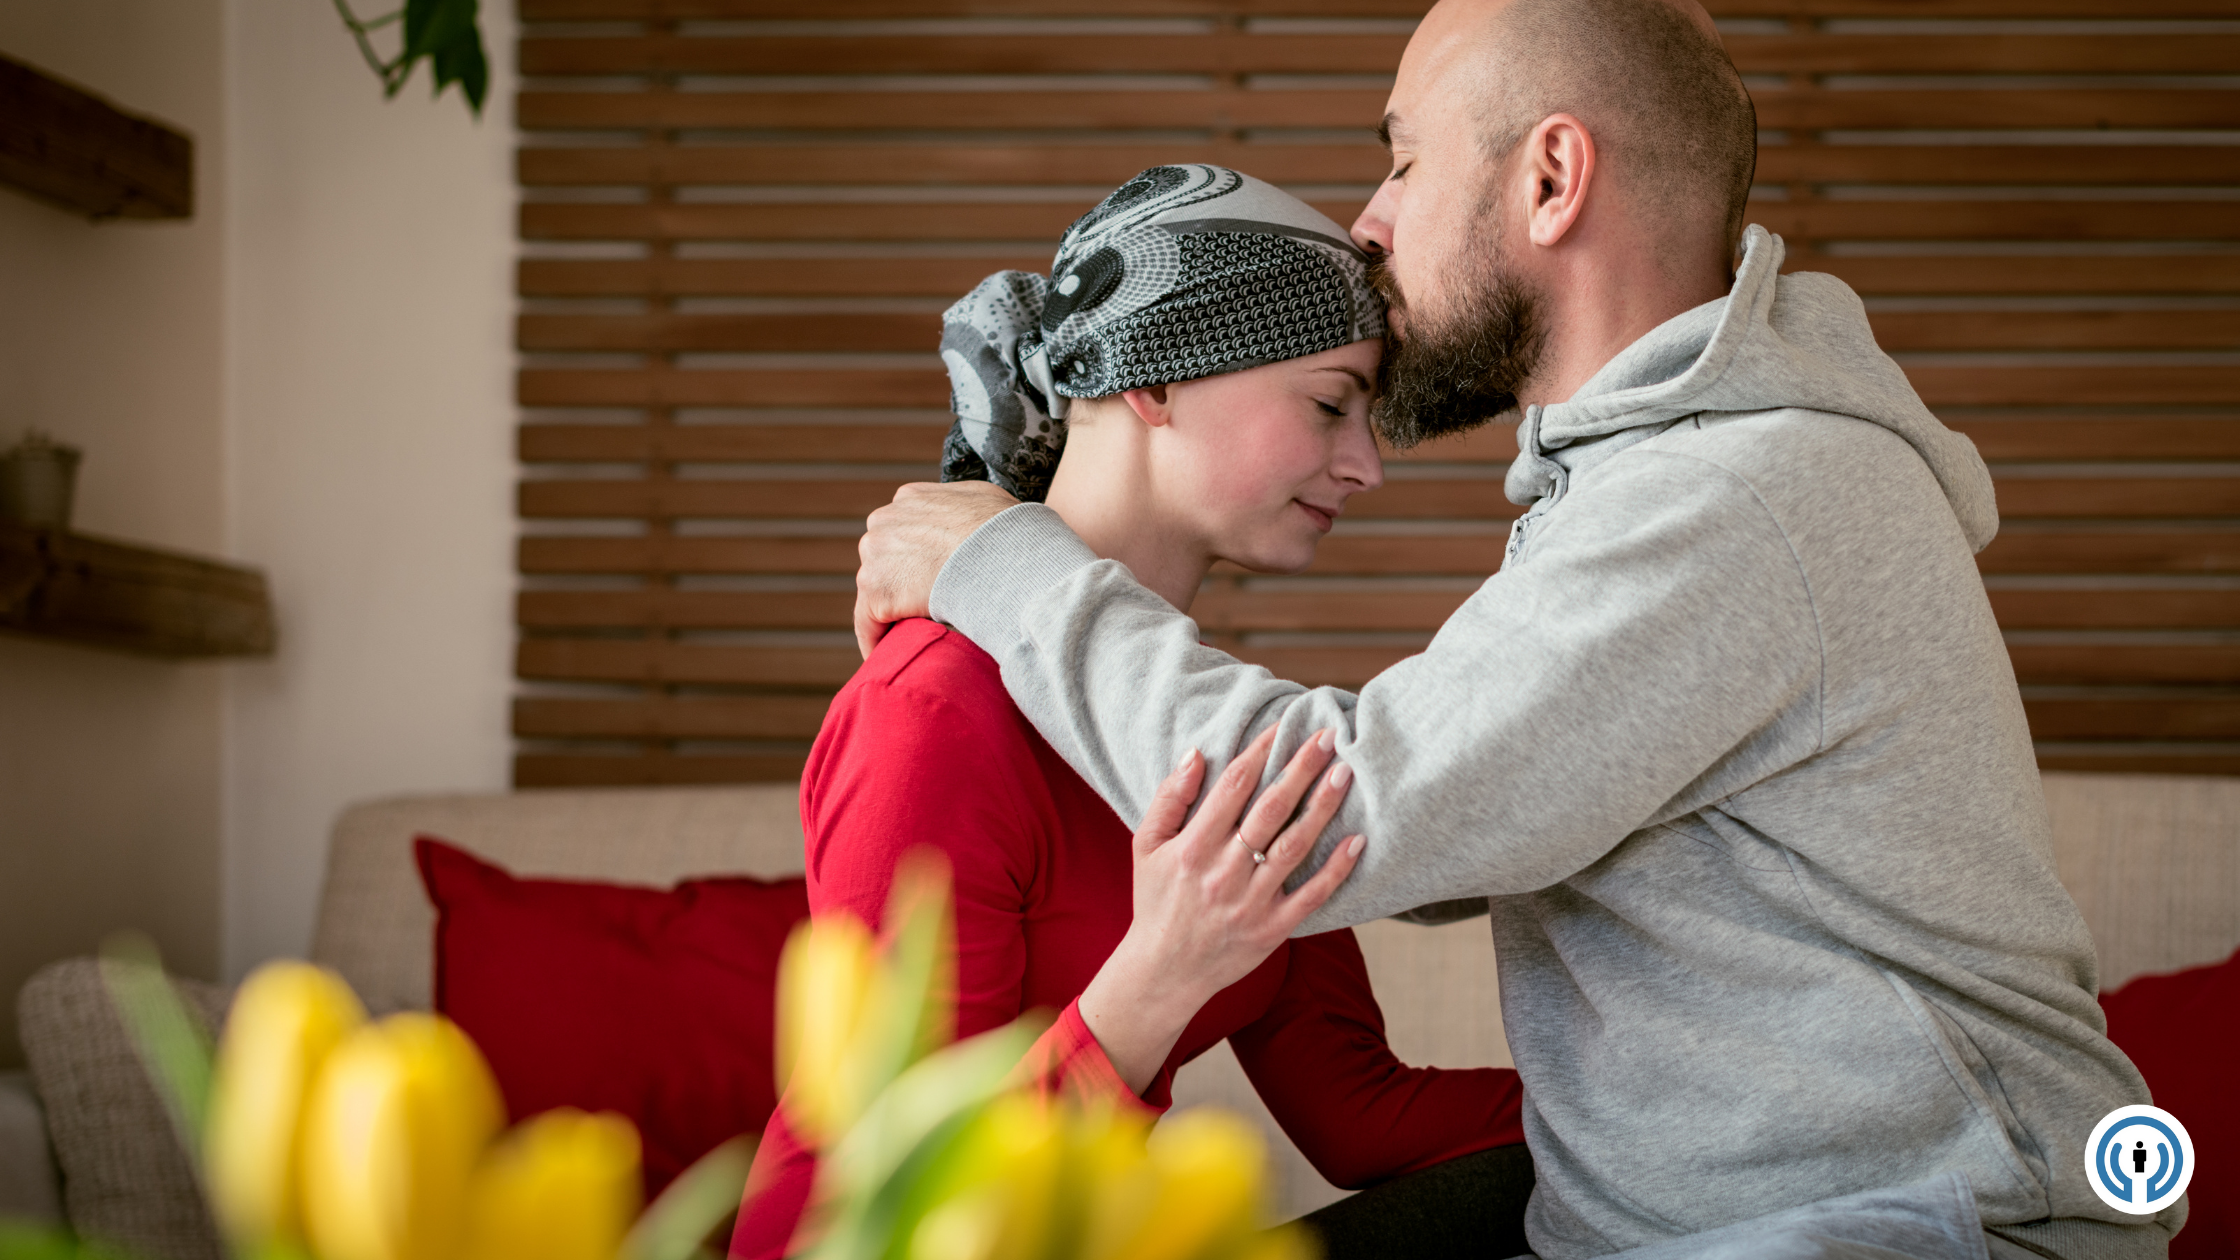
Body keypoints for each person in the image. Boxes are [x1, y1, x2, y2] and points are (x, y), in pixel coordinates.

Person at [846, 2, 2179, 1259]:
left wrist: (1004, 569)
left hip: (1910, 1224)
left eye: (1404, 160)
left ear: (1551, 179)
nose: (1367, 223)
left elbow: (1351, 817)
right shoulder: (1649, 487)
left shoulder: (1731, 495)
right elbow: (1438, 828)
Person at [729, 165, 1530, 1260]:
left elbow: (1362, 1116)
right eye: (1329, 404)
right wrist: (1163, 973)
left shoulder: (1202, 730)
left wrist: (1703, 1125)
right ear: (1155, 381)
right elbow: (907, 1195)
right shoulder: (933, 712)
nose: (1364, 466)